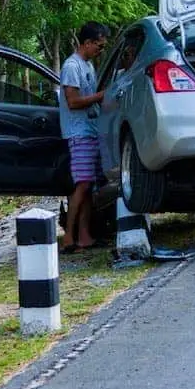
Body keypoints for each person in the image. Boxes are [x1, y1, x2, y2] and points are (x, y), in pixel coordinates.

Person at [58, 21, 110, 253]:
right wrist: (100, 96)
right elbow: (73, 102)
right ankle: (69, 236)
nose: (100, 51)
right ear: (87, 43)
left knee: (89, 185)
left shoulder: (88, 66)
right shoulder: (72, 66)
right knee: (82, 184)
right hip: (79, 133)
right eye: (99, 46)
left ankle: (84, 236)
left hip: (91, 130)